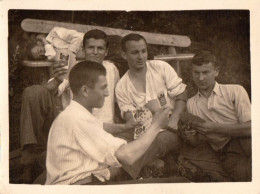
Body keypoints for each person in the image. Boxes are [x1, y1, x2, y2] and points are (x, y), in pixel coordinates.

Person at [45, 60, 171, 185]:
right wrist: (156, 125)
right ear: (85, 91)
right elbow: (128, 156)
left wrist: (125, 127)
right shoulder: (76, 119)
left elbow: (100, 128)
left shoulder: (76, 114)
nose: (107, 93)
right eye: (103, 87)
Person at [20, 29, 121, 183]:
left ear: (106, 52)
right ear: (83, 50)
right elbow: (49, 92)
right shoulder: (75, 68)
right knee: (33, 92)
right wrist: (58, 80)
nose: (95, 52)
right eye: (90, 48)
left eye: (100, 48)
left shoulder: (111, 70)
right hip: (67, 126)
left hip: (94, 132)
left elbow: (117, 100)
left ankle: (43, 163)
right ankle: (28, 158)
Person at [115, 33, 187, 168]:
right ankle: (152, 162)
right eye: (135, 53)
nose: (141, 57)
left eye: (144, 51)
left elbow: (181, 95)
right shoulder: (122, 86)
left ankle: (122, 171)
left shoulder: (160, 67)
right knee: (117, 140)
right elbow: (130, 117)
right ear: (124, 55)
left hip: (171, 128)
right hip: (143, 131)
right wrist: (145, 120)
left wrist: (174, 118)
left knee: (157, 141)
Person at [187, 51, 251, 181]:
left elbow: (251, 128)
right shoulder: (191, 103)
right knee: (243, 176)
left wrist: (214, 128)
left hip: (249, 140)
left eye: (205, 72)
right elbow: (199, 141)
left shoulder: (235, 91)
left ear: (216, 71)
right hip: (227, 150)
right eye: (196, 73)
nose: (200, 78)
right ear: (192, 73)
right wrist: (191, 136)